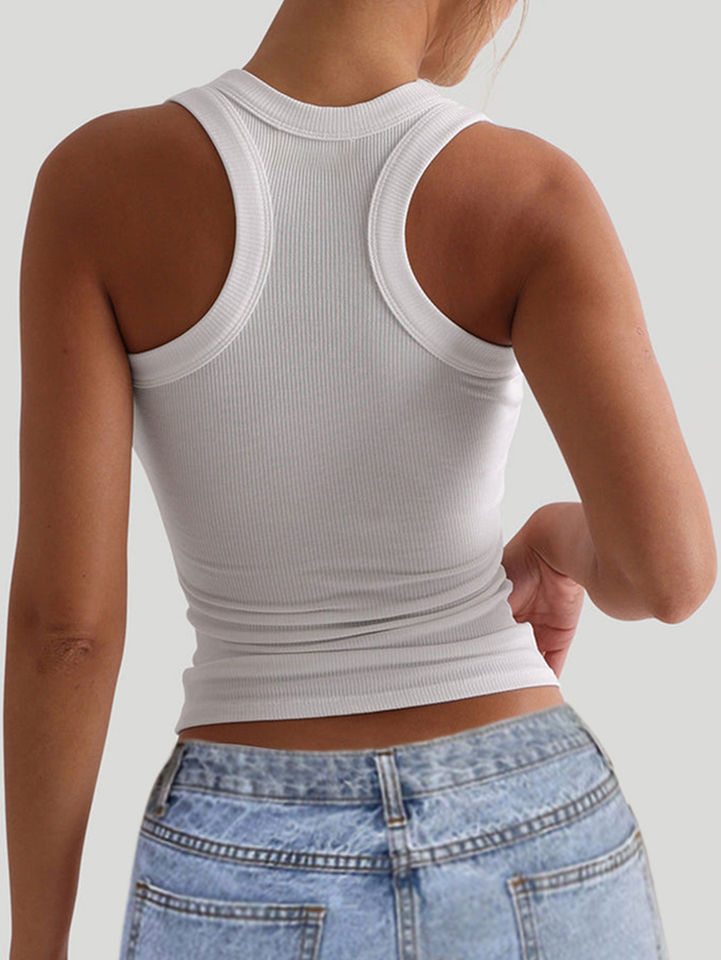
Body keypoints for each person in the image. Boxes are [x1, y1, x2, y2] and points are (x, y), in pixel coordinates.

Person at [5, 0, 716, 957]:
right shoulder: (528, 190)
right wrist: (565, 539)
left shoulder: (98, 184)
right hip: (532, 823)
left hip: (245, 848)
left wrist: (37, 943)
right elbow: (669, 578)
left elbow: (67, 633)